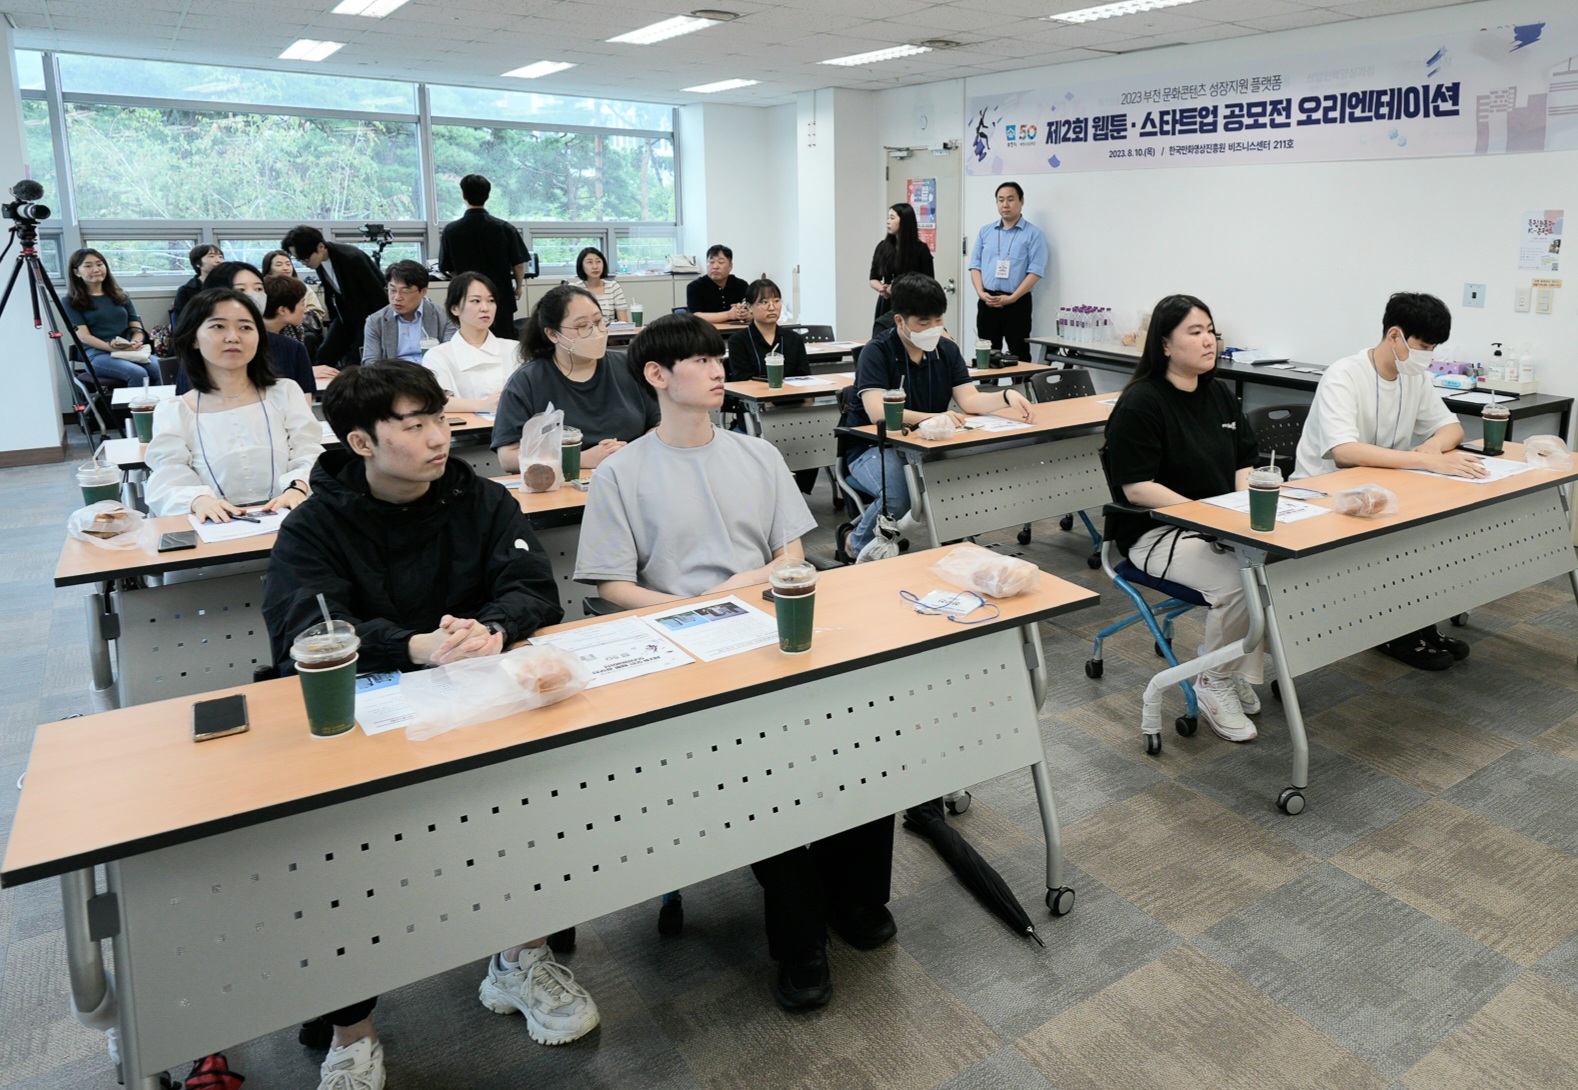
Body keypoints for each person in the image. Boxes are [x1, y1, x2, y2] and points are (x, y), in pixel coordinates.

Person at [261, 360, 600, 1090]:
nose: (438, 438)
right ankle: (351, 1032)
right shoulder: (315, 524)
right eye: (414, 426)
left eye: (439, 420)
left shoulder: (480, 498)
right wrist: (411, 646)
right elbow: (306, 630)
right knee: (346, 860)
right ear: (361, 442)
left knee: (534, 807)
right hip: (374, 707)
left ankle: (521, 958)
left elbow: (532, 587)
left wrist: (493, 629)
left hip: (482, 696)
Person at [574, 313, 895, 1011]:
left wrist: (755, 583)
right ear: (657, 375)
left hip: (772, 627)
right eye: (699, 360)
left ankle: (858, 896)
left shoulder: (757, 454)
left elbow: (791, 551)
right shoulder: (622, 473)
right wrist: (695, 607)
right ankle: (800, 941)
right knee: (765, 767)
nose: (718, 368)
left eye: (719, 356)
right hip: (685, 649)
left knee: (863, 732)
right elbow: (611, 586)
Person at [1103, 294, 1264, 743]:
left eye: (1211, 331)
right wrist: (1203, 516)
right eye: (1195, 332)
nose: (1208, 340)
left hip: (1215, 524)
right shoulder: (1142, 401)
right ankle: (1213, 681)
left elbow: (1244, 462)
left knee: (1269, 567)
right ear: (1165, 344)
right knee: (1238, 581)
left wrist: (1244, 507)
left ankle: (1225, 666)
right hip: (1155, 531)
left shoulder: (1219, 393)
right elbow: (1137, 487)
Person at [1294, 291, 1482, 671]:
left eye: (1433, 348)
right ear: (1395, 335)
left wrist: (1432, 449)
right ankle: (1394, 630)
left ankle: (1417, 623)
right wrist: (1424, 461)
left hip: (1381, 490)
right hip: (1324, 495)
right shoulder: (1344, 375)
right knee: (1405, 539)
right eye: (1424, 347)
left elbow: (1452, 428)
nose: (1428, 356)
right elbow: (1345, 452)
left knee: (1434, 529)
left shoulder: (1413, 376)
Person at [839, 273, 1035, 561]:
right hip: (873, 446)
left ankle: (952, 547)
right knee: (899, 495)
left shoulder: (946, 350)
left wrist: (1006, 397)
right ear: (900, 321)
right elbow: (877, 412)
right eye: (923, 323)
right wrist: (933, 416)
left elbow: (969, 399)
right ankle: (854, 543)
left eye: (938, 320)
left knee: (969, 476)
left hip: (927, 444)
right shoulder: (877, 352)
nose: (933, 329)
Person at [146, 289, 321, 522]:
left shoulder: (285, 393)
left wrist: (297, 487)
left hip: (290, 521)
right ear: (194, 339)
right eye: (218, 326)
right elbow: (168, 475)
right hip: (215, 527)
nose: (233, 337)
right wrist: (199, 500)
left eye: (245, 327)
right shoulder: (175, 411)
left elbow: (308, 451)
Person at [494, 285, 657, 473]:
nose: (595, 331)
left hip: (632, 474)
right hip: (562, 483)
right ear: (553, 334)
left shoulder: (629, 366)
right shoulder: (528, 381)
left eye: (598, 321)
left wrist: (632, 452)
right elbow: (508, 457)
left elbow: (661, 425)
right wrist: (580, 459)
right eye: (582, 326)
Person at [726, 278, 817, 494]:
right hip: (755, 410)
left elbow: (805, 378)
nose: (771, 307)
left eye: (776, 301)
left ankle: (795, 492)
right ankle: (771, 491)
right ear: (749, 307)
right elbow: (742, 380)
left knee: (815, 432)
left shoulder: (793, 339)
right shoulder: (739, 340)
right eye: (764, 302)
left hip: (793, 407)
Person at [192, 261, 317, 398]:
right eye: (241, 290)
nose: (253, 296)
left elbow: (303, 404)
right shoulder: (202, 349)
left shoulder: (291, 348)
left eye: (258, 289)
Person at [280, 225, 386, 372]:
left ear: (321, 247)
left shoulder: (352, 258)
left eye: (306, 258)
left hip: (369, 318)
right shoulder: (318, 262)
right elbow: (332, 294)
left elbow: (378, 294)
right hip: (345, 316)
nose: (304, 263)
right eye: (299, 259)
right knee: (323, 355)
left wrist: (381, 325)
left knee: (354, 362)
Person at [438, 174, 529, 339]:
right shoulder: (504, 228)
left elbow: (446, 267)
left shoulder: (451, 230)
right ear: (487, 195)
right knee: (504, 342)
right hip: (500, 297)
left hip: (468, 296)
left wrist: (465, 282)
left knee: (472, 339)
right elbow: (519, 264)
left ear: (464, 195)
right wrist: (519, 286)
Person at [968, 181, 1048, 360]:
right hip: (988, 301)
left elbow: (1035, 271)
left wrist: (1012, 298)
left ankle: (1021, 381)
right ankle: (988, 380)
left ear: (1021, 201)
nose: (1005, 204)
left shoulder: (1034, 234)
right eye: (1001, 200)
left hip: (1017, 302)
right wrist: (980, 292)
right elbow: (975, 265)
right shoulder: (985, 231)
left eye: (1010, 199)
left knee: (1019, 353)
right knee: (986, 355)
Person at [62, 248, 160, 387]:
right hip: (97, 355)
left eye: (100, 264)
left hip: (129, 350)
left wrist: (134, 342)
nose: (96, 269)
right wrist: (114, 349)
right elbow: (84, 337)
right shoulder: (70, 301)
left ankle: (161, 402)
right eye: (88, 266)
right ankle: (135, 402)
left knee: (163, 369)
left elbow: (137, 328)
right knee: (138, 373)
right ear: (77, 272)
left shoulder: (121, 296)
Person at [421, 272, 517, 413]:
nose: (485, 308)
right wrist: (482, 405)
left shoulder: (515, 349)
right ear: (454, 308)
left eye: (491, 301)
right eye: (476, 301)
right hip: (467, 427)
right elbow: (436, 401)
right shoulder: (438, 355)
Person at [362, 259, 456, 364]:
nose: (397, 298)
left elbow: (451, 356)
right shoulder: (375, 321)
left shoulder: (444, 317)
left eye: (405, 291)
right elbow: (370, 362)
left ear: (423, 291)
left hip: (432, 371)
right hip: (394, 372)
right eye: (392, 290)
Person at [868, 203, 934, 324]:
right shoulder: (882, 246)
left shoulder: (921, 249)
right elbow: (873, 279)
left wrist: (898, 289)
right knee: (883, 333)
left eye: (892, 218)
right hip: (887, 303)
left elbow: (928, 283)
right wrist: (883, 289)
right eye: (888, 217)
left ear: (904, 221)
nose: (888, 221)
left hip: (911, 306)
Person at [685, 244, 749, 325]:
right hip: (705, 330)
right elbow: (695, 316)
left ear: (730, 266)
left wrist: (744, 314)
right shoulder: (695, 287)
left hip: (736, 330)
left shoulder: (741, 285)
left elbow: (753, 311)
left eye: (721, 262)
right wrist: (728, 315)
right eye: (711, 262)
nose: (715, 266)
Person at [572, 246, 629, 323]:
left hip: (610, 329)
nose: (595, 266)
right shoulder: (575, 290)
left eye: (598, 261)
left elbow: (623, 321)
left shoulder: (613, 287)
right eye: (589, 262)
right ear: (581, 266)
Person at [172, 243, 223, 322]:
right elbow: (183, 320)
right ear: (197, 263)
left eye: (220, 256)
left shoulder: (229, 285)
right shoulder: (186, 290)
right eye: (212, 256)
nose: (218, 260)